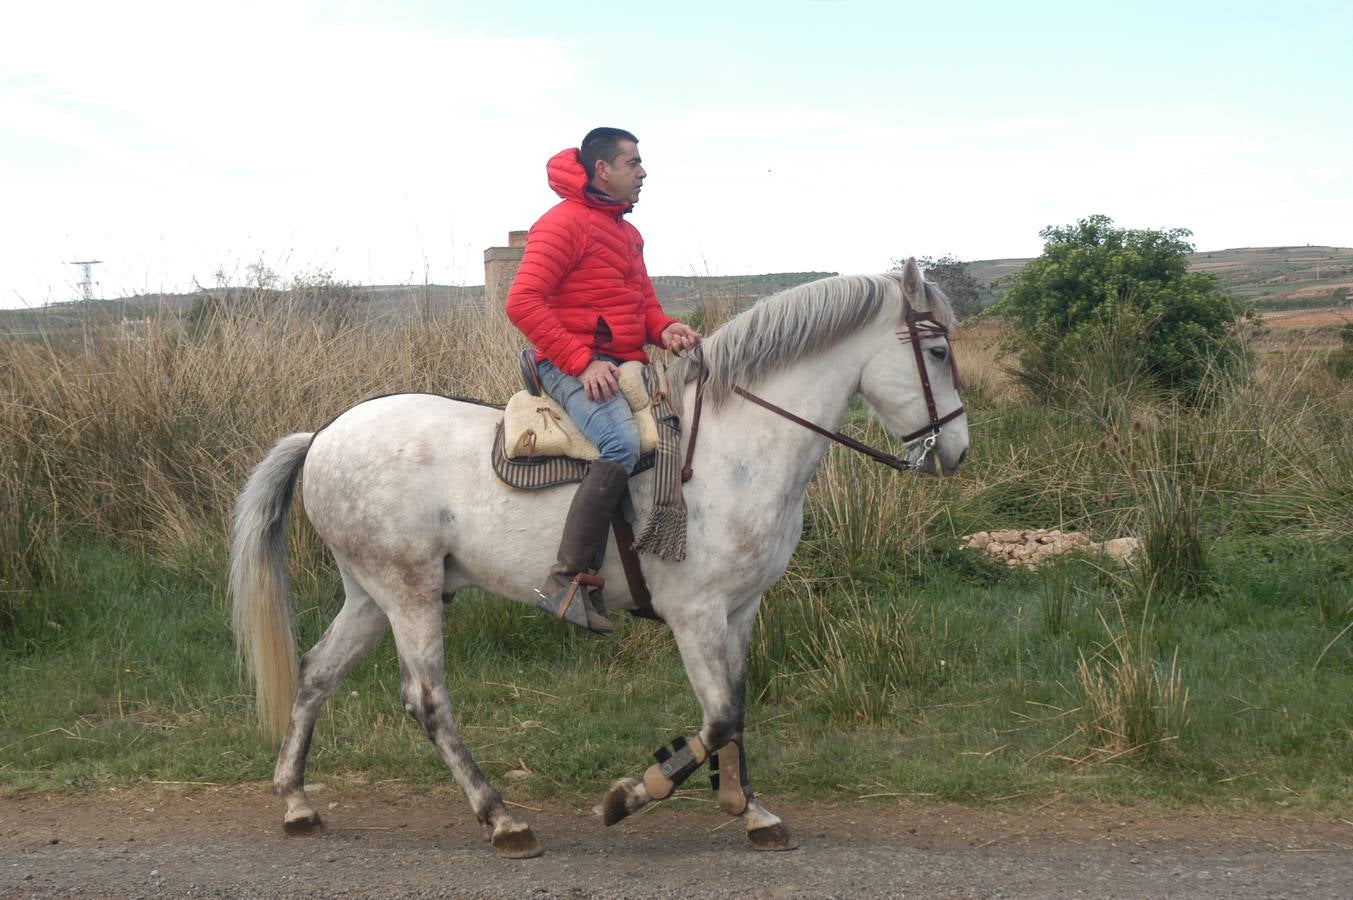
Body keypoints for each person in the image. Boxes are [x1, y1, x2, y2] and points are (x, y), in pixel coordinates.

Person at [506, 127, 700, 635]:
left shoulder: (626, 232)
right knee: (619, 443)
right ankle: (567, 583)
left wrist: (667, 329)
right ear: (602, 170)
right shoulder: (563, 223)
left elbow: (644, 308)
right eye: (632, 162)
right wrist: (580, 361)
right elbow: (522, 302)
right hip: (569, 363)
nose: (642, 172)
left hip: (619, 362)